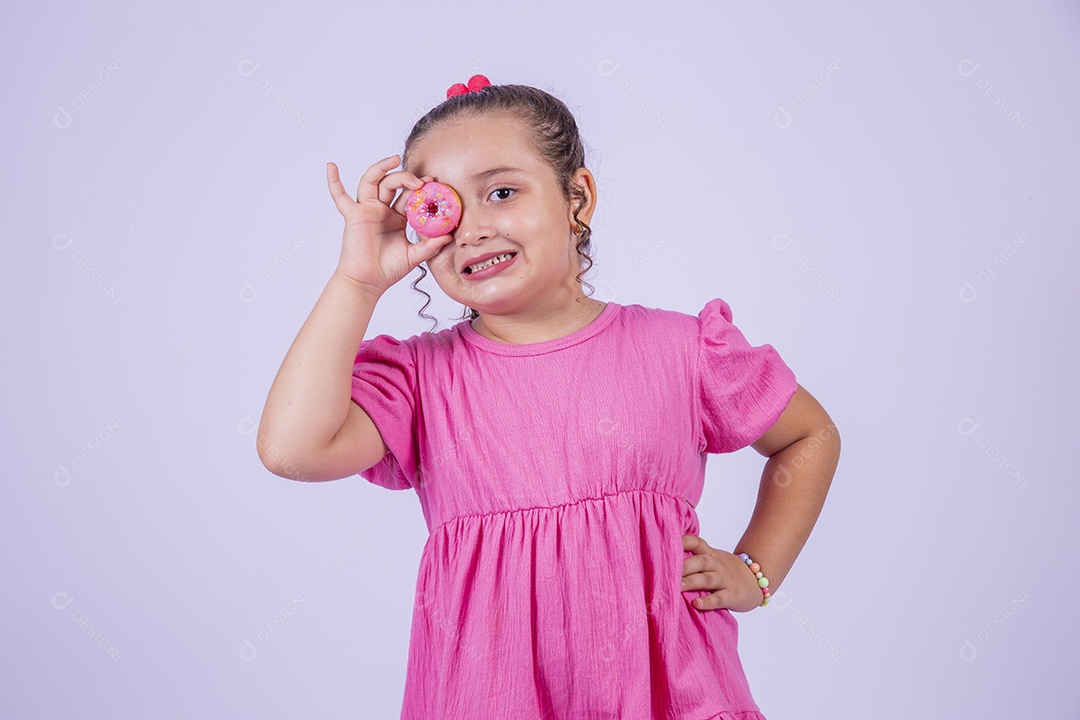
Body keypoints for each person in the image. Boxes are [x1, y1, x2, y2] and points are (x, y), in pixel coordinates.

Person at [257, 75, 840, 719]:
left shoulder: (681, 349)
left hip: (674, 694)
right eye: (441, 209)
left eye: (501, 193)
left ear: (577, 198)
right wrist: (357, 281)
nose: (472, 230)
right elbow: (293, 450)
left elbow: (807, 436)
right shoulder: (420, 379)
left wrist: (756, 573)